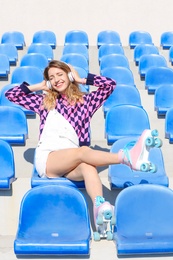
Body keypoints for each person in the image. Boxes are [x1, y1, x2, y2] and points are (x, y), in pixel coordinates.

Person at [5, 60, 159, 238]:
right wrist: (40, 85)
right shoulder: (46, 103)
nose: (56, 80)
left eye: (60, 74)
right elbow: (12, 95)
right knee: (84, 152)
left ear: (69, 75)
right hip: (50, 159)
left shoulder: (86, 102)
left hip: (72, 161)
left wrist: (81, 79)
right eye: (51, 77)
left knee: (88, 167)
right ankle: (126, 158)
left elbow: (110, 85)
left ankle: (100, 208)